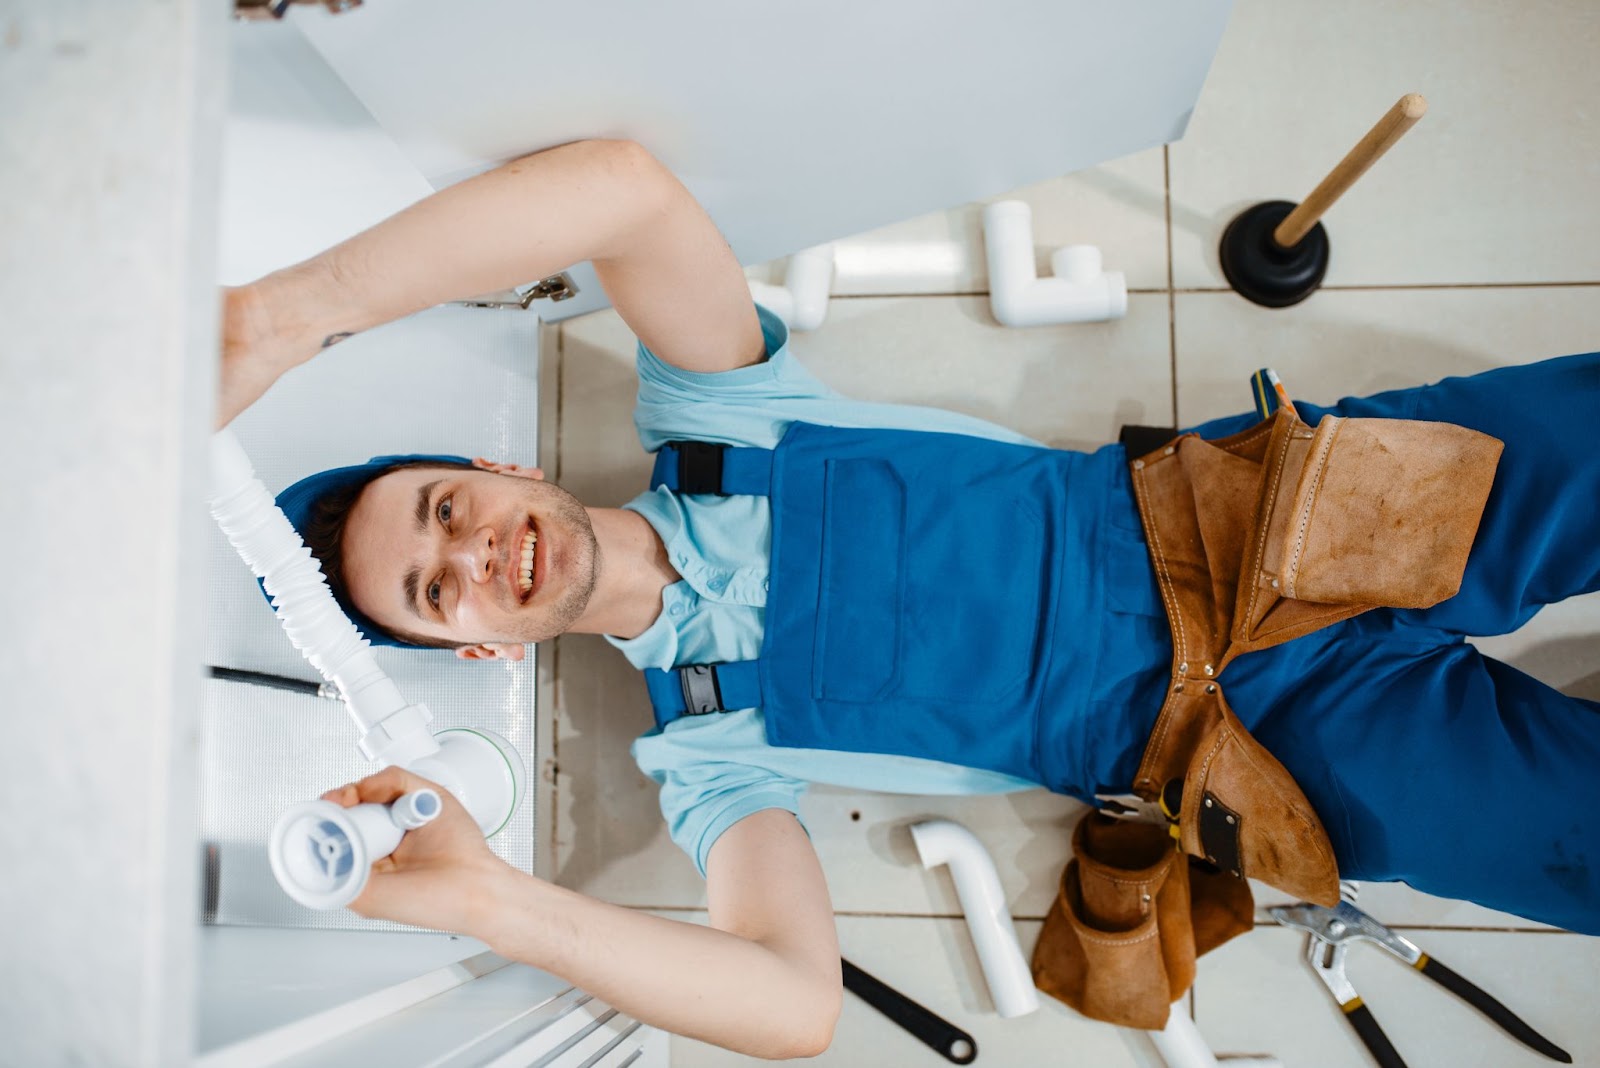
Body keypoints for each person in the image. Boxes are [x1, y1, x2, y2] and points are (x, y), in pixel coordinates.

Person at [221, 139, 1600, 1057]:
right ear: (477, 647)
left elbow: (625, 191)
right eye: (432, 590)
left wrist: (288, 316)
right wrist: (486, 903)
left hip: (1278, 521)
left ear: (497, 470)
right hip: (1273, 742)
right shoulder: (707, 748)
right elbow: (792, 1004)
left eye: (447, 511)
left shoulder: (722, 414)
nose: (472, 556)